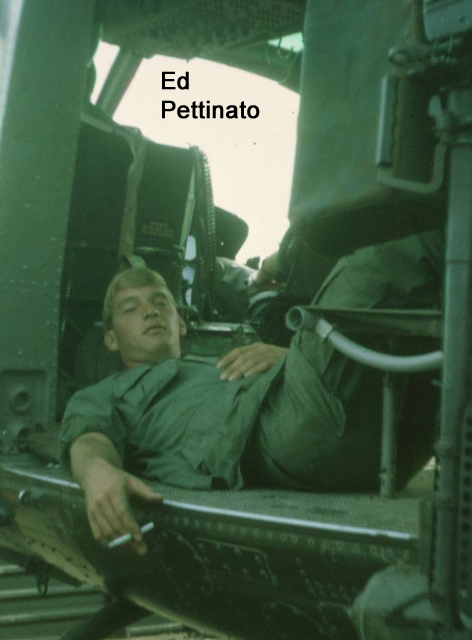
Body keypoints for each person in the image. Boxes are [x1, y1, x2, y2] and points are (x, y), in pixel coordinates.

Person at [60, 232, 444, 555]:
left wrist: (288, 358)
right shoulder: (105, 393)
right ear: (111, 339)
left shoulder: (217, 362)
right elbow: (89, 436)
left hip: (399, 445)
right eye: (130, 308)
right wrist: (97, 474)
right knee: (391, 248)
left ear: (181, 324)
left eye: (161, 302)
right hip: (286, 432)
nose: (150, 312)